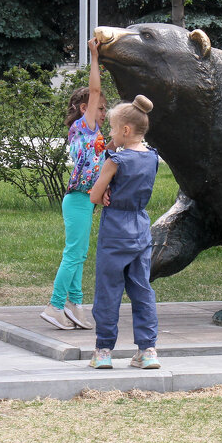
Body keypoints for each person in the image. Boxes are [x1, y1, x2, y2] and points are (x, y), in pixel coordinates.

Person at [87, 95, 161, 370]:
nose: (110, 134)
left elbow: (94, 195)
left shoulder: (115, 159)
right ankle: (147, 350)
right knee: (142, 289)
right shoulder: (152, 157)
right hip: (141, 227)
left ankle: (104, 350)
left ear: (126, 130)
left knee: (108, 290)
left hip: (115, 227)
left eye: (113, 129)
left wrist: (105, 190)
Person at [42, 38, 108, 332]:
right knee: (73, 253)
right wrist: (95, 56)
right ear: (85, 108)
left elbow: (99, 167)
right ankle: (55, 306)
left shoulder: (96, 135)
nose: (104, 113)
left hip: (86, 200)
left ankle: (75, 304)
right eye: (100, 108)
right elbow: (94, 89)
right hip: (78, 199)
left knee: (80, 254)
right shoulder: (85, 126)